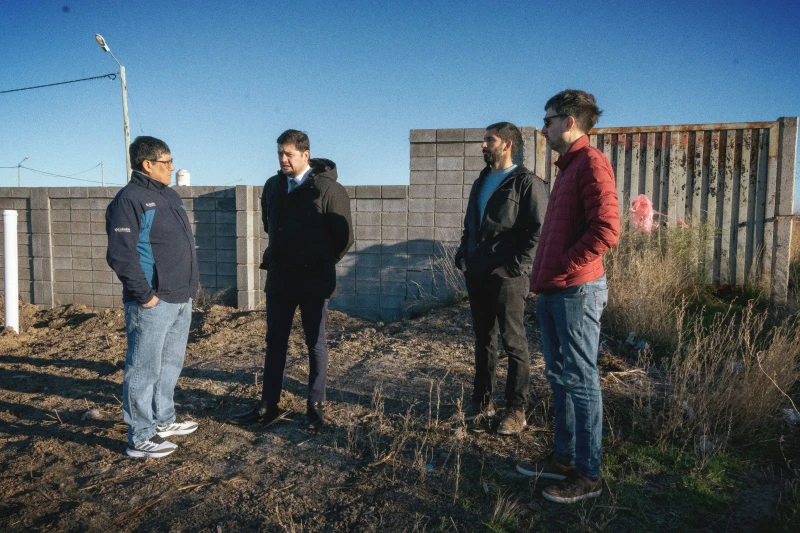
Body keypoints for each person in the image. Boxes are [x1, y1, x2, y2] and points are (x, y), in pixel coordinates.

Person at [517, 90, 620, 503]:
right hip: (556, 291)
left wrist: (564, 266)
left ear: (570, 121)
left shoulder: (591, 163)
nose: (543, 128)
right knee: (560, 379)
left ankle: (588, 475)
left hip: (577, 291)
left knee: (580, 382)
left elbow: (607, 229)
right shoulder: (568, 168)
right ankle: (563, 459)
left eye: (548, 120)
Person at [230, 129, 353, 429]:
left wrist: (319, 261)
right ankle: (268, 405)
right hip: (281, 279)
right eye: (279, 154)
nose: (283, 159)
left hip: (314, 281)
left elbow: (344, 238)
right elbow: (269, 225)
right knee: (275, 342)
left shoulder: (328, 190)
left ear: (305, 155)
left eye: (289, 154)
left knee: (315, 343)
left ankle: (315, 406)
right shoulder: (273, 186)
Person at [106, 136, 200, 458]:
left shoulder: (169, 195)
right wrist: (145, 296)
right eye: (167, 162)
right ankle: (140, 437)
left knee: (170, 364)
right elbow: (121, 255)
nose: (172, 168)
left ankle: (163, 420)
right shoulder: (129, 200)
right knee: (144, 370)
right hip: (152, 301)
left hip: (180, 297)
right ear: (147, 164)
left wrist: (189, 289)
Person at [455, 122, 549, 436]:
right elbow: (471, 224)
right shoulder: (481, 180)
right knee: (484, 341)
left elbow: (539, 233)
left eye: (489, 140)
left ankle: (516, 409)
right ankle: (482, 403)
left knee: (513, 343)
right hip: (477, 274)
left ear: (507, 144)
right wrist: (463, 254)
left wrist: (513, 267)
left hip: (508, 278)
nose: (483, 145)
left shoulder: (527, 183)